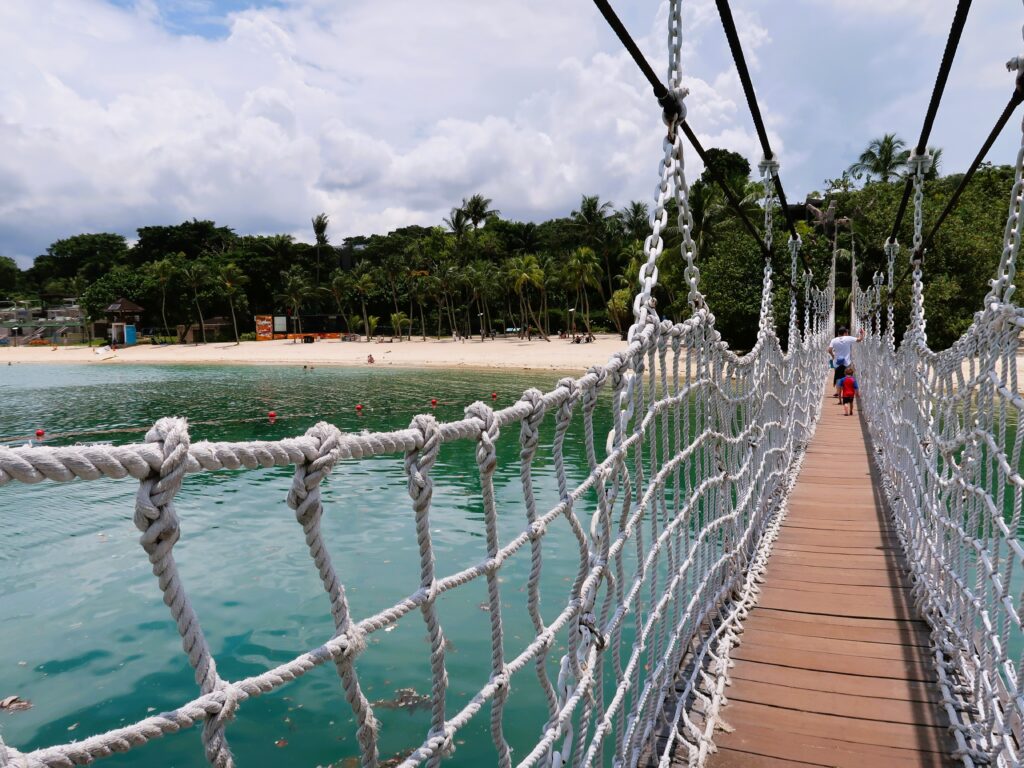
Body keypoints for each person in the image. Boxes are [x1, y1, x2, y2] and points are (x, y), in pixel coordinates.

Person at [828, 325, 863, 399]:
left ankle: (838, 392)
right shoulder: (848, 338)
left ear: (838, 333)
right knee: (848, 377)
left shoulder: (834, 340)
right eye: (847, 332)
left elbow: (829, 350)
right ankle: (847, 392)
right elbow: (859, 340)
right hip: (846, 362)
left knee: (838, 377)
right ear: (845, 332)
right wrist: (862, 334)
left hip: (837, 363)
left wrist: (833, 355)